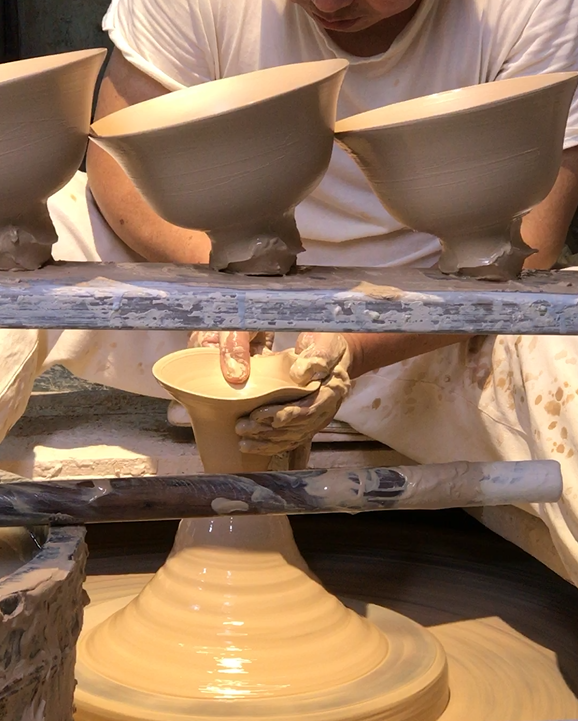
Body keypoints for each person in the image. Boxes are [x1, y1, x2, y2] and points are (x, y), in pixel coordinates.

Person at [2, 0, 578, 582]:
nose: (329, 4)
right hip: (193, 279)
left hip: (427, 323)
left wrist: (354, 346)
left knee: (563, 360)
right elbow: (116, 169)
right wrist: (234, 292)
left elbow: (531, 240)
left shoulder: (532, 9)